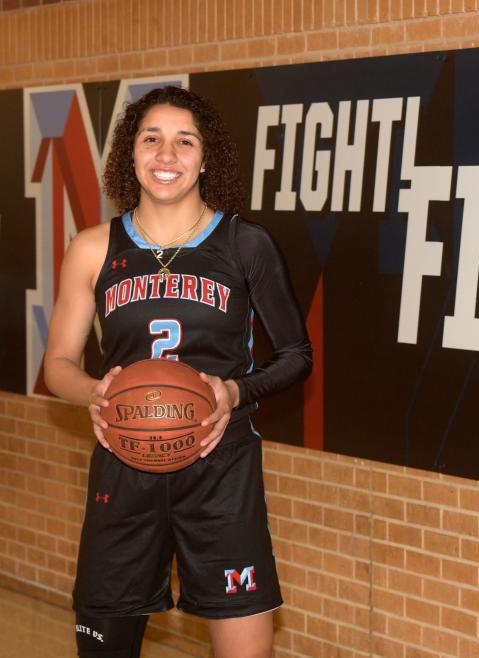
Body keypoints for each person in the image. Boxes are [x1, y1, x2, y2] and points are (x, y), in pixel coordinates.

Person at [43, 85, 312, 658]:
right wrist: (97, 393)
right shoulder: (94, 249)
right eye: (152, 139)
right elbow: (58, 364)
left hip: (222, 470)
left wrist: (235, 389)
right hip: (124, 470)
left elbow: (296, 356)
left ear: (206, 156)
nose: (167, 156)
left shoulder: (246, 245)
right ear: (130, 154)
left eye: (184, 141)